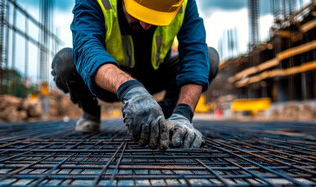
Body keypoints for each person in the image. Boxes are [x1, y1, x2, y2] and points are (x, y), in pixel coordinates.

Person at [52, 0, 219, 150]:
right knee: (65, 62)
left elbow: (194, 54)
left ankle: (169, 116)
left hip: (155, 75)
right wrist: (130, 89)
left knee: (208, 59)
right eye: (139, 13)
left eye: (155, 17)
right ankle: (90, 112)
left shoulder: (181, 2)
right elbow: (87, 49)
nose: (146, 25)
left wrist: (184, 113)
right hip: (108, 80)